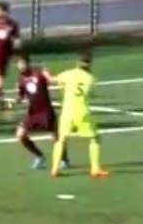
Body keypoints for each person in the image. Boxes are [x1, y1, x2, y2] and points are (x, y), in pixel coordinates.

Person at [50, 51, 108, 179]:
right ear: (90, 63)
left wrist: (45, 73)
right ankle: (95, 168)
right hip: (82, 112)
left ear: (77, 62)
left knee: (61, 139)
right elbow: (89, 92)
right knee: (95, 138)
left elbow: (53, 80)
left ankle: (55, 169)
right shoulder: (91, 79)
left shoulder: (68, 74)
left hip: (67, 112)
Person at [15, 52, 68, 171]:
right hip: (33, 112)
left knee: (56, 136)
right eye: (18, 64)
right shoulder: (21, 79)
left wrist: (52, 76)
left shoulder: (39, 72)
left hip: (46, 111)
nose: (20, 66)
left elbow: (52, 80)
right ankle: (39, 156)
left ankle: (64, 159)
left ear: (28, 63)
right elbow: (21, 95)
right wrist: (17, 98)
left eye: (22, 63)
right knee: (20, 135)